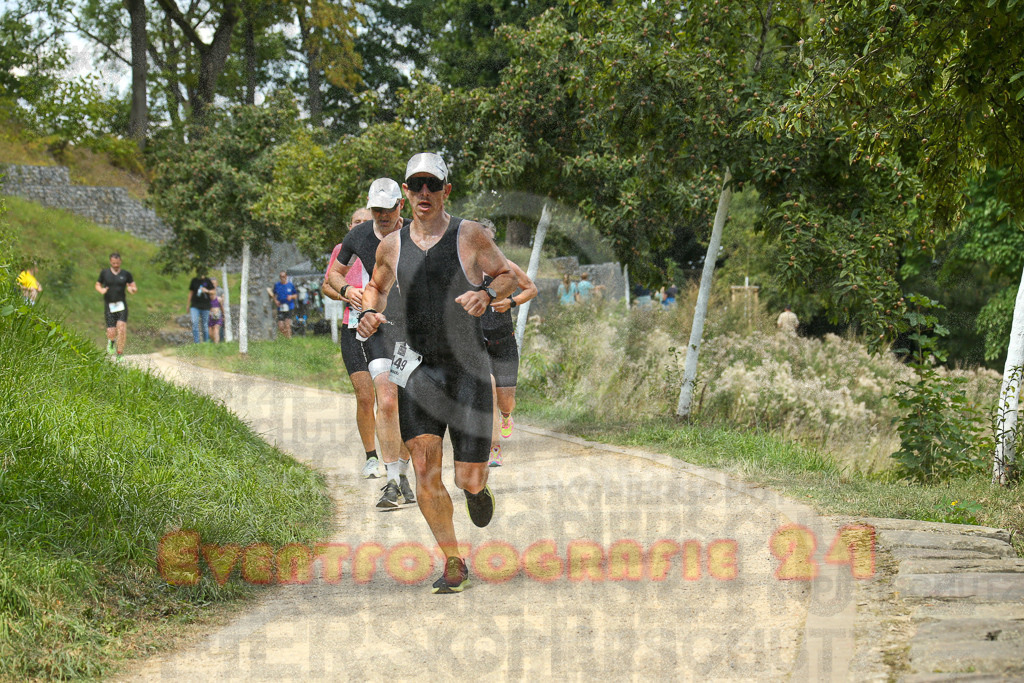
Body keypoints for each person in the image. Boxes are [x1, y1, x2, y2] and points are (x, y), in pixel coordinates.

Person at [357, 152, 518, 593]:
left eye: (432, 184)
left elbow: (506, 275)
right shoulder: (392, 245)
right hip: (417, 368)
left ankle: (476, 489)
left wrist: (485, 294)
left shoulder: (470, 235)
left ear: (447, 189)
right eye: (415, 185)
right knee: (425, 466)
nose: (423, 193)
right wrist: (369, 314)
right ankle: (453, 561)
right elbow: (375, 287)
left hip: (467, 369)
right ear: (406, 193)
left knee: (468, 476)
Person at [325, 180, 416, 509]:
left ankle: (402, 472)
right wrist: (345, 291)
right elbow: (335, 274)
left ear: (400, 206)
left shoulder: (419, 232)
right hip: (376, 325)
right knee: (386, 400)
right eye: (375, 210)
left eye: (387, 210)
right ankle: (391, 481)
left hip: (412, 332)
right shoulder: (358, 236)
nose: (380, 216)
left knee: (408, 405)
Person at [476, 219, 538, 467]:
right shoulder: (465, 271)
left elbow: (531, 289)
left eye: (488, 239)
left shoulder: (506, 267)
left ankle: (506, 415)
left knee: (505, 400)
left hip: (504, 341)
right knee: (489, 391)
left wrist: (512, 303)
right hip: (478, 341)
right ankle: (494, 449)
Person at [95, 252, 137, 360]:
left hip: (121, 306)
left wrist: (131, 289)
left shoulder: (126, 274)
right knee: (111, 332)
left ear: (120, 262)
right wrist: (102, 290)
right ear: (110, 262)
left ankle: (119, 353)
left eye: (117, 263)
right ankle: (111, 341)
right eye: (113, 263)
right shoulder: (105, 273)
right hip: (109, 305)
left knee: (122, 328)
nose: (115, 265)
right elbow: (97, 284)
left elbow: (133, 287)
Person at [187, 268, 215, 343]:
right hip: (195, 305)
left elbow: (213, 291)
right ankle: (197, 343)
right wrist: (188, 305)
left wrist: (207, 291)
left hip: (205, 306)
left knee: (205, 325)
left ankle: (206, 343)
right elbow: (191, 293)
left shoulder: (208, 281)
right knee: (194, 323)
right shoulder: (194, 280)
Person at [269, 271, 297, 339]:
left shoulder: (290, 285)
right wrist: (276, 301)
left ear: (286, 277)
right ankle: (285, 337)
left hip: (289, 306)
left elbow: (295, 295)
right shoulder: (277, 285)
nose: (282, 278)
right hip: (280, 307)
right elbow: (274, 295)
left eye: (284, 276)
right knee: (281, 326)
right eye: (281, 277)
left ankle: (289, 339)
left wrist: (291, 297)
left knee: (287, 325)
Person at [208, 278, 224, 343]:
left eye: (214, 283)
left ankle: (217, 344)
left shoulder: (219, 294)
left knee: (216, 329)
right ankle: (214, 341)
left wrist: (223, 315)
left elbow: (222, 306)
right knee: (210, 333)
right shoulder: (207, 296)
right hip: (210, 316)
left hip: (218, 315)